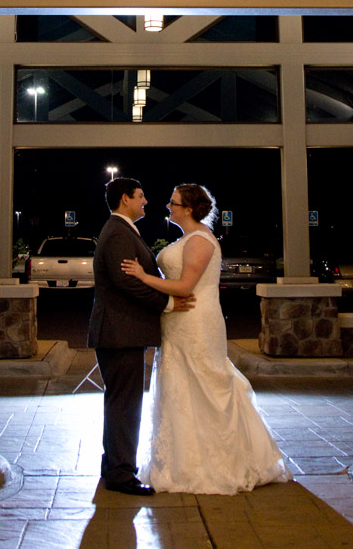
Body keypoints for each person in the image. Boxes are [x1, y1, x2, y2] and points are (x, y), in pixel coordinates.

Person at [120, 183, 290, 495]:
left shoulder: (200, 240)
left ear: (188, 209)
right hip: (178, 324)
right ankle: (180, 462)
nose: (168, 206)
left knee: (204, 385)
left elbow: (185, 286)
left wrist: (144, 277)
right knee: (180, 389)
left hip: (196, 322)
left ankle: (217, 464)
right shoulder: (186, 238)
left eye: (173, 202)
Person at [87, 176, 194, 496]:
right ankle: (121, 474)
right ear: (124, 199)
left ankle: (114, 465)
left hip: (120, 332)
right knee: (126, 403)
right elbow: (127, 283)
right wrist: (169, 303)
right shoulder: (118, 232)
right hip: (120, 332)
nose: (145, 201)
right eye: (140, 196)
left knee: (120, 401)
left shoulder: (121, 229)